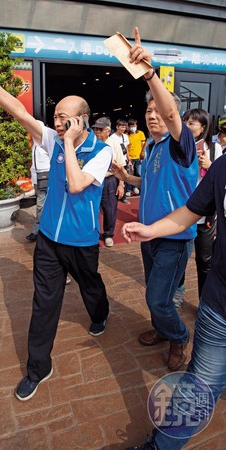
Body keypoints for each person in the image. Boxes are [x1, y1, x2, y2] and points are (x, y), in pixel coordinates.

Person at [0, 46, 112, 401]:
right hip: (50, 242)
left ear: (84, 120)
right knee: (44, 302)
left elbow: (74, 184)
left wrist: (68, 143)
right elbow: (16, 109)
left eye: (65, 118)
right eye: (56, 116)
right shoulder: (53, 138)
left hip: (82, 240)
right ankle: (38, 367)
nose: (57, 123)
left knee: (91, 286)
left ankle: (100, 311)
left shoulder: (102, 152)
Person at [122, 154, 226, 450]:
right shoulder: (223, 167)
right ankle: (161, 446)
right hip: (220, 307)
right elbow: (191, 211)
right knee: (199, 387)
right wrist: (151, 230)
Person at [111, 27, 198, 372]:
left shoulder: (182, 145)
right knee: (156, 293)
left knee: (157, 298)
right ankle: (164, 329)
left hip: (174, 238)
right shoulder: (151, 148)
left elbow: (173, 115)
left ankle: (178, 336)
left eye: (157, 110)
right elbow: (148, 185)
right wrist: (124, 177)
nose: (151, 114)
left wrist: (149, 75)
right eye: (148, 111)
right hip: (148, 234)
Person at [173, 108, 223, 308]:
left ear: (203, 127)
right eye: (185, 121)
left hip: (205, 217)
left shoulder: (214, 149)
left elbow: (220, 182)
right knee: (179, 256)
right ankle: (178, 290)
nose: (187, 125)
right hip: (183, 212)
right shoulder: (178, 148)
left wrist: (210, 165)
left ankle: (204, 300)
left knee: (204, 260)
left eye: (192, 122)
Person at [92, 117, 126, 247]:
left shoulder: (114, 144)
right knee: (92, 208)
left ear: (108, 131)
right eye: (95, 129)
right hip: (93, 180)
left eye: (100, 130)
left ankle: (108, 234)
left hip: (109, 180)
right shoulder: (92, 143)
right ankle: (92, 233)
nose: (97, 132)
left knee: (110, 210)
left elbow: (122, 166)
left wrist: (121, 185)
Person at [26, 142, 50, 242]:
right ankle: (43, 231)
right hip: (36, 180)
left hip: (46, 179)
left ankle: (36, 232)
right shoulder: (35, 145)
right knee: (41, 206)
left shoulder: (46, 143)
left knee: (40, 206)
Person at [110, 119, 131, 204]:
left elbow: (126, 148)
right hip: (116, 161)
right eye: (121, 126)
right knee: (116, 179)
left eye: (124, 126)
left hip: (124, 160)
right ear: (117, 127)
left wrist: (129, 159)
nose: (123, 128)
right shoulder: (112, 138)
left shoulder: (125, 136)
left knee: (124, 178)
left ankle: (123, 197)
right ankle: (115, 196)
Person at [126, 118, 146, 196]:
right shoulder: (126, 135)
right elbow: (126, 147)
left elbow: (143, 144)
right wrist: (128, 158)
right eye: (131, 126)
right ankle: (128, 190)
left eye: (134, 125)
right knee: (129, 175)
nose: (133, 127)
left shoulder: (140, 133)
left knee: (139, 174)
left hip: (138, 158)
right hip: (130, 158)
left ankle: (139, 189)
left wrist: (142, 156)